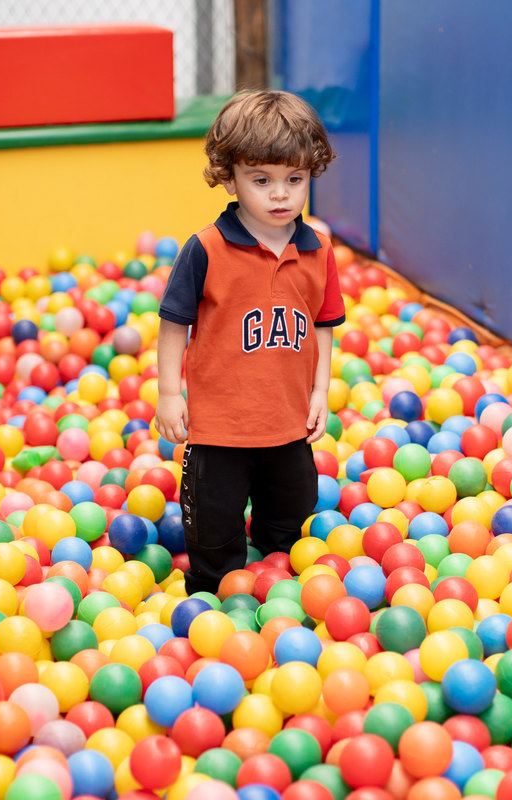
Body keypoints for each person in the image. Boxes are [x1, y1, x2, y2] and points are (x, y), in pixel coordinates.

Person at [155, 91, 344, 595]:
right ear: (229, 176)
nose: (280, 195)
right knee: (214, 530)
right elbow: (174, 322)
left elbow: (323, 323)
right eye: (261, 180)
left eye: (294, 180)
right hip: (219, 427)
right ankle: (215, 596)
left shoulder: (318, 249)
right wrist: (170, 394)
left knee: (291, 516)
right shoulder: (206, 249)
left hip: (288, 421)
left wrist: (320, 390)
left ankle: (277, 587)